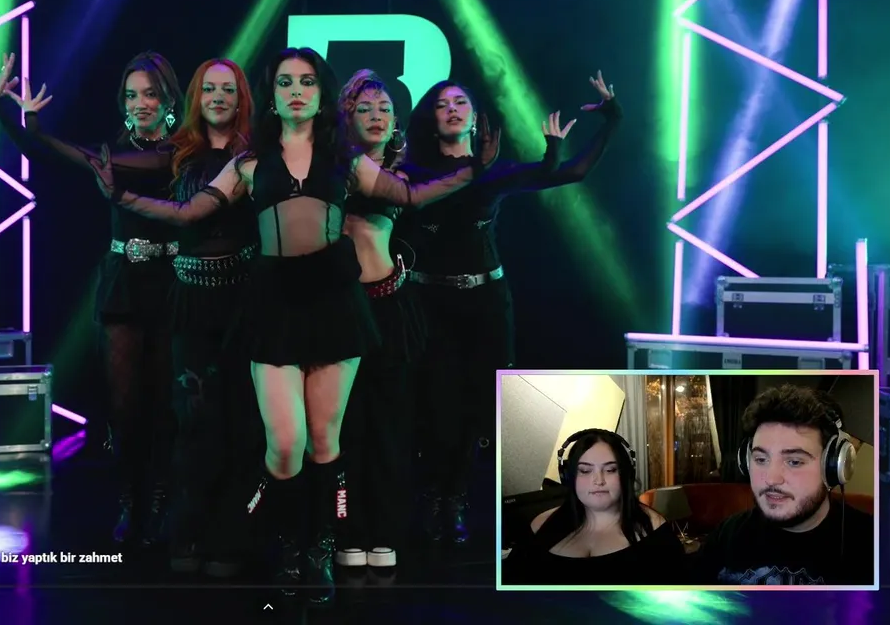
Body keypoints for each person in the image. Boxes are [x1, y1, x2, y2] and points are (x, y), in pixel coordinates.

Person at [83, 48, 483, 605]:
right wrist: (120, 195)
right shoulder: (251, 161)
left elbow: (411, 195)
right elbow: (188, 214)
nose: (297, 90)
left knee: (324, 441)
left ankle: (314, 550)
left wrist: (474, 170)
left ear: (321, 94)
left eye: (307, 82)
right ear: (271, 95)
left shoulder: (345, 158)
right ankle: (284, 535)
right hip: (272, 306)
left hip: (336, 306)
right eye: (286, 82)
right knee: (286, 444)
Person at [398, 73, 622, 546]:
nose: (452, 109)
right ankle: (432, 497)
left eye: (461, 102)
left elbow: (572, 172)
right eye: (442, 104)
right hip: (430, 303)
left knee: (478, 404)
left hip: (486, 303)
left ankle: (455, 500)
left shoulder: (494, 170)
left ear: (475, 118)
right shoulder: (413, 172)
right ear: (431, 118)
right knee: (437, 404)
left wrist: (611, 119)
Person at [0, 51, 184, 547]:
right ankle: (130, 501)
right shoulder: (111, 153)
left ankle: (161, 501)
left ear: (169, 100)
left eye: (150, 94)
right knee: (124, 406)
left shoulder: (184, 153)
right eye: (132, 95)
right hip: (123, 283)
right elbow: (46, 155)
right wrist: (2, 108)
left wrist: (40, 130)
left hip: (172, 284)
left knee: (166, 403)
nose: (140, 103)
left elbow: (121, 163)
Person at [162, 59, 260, 577]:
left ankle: (231, 536)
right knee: (195, 420)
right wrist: (15, 118)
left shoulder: (258, 156)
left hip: (244, 300)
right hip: (190, 301)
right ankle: (190, 530)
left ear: (241, 97)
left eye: (228, 89)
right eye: (209, 89)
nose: (218, 96)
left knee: (242, 420)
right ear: (196, 97)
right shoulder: (175, 154)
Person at [331, 69, 422, 573]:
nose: (376, 115)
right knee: (344, 427)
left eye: (384, 108)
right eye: (363, 108)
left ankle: (384, 531)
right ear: (347, 117)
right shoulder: (331, 168)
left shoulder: (406, 173)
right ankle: (347, 528)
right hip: (339, 310)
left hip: (389, 308)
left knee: (388, 427)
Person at [692, 385, 874, 585]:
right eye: (761, 459)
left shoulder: (876, 545)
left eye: (794, 462)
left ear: (834, 467)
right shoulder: (725, 536)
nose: (771, 479)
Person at [503, 429, 684, 586]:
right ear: (569, 477)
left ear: (626, 475)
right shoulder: (541, 526)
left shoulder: (655, 530)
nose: (598, 480)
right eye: (585, 470)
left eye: (610, 470)